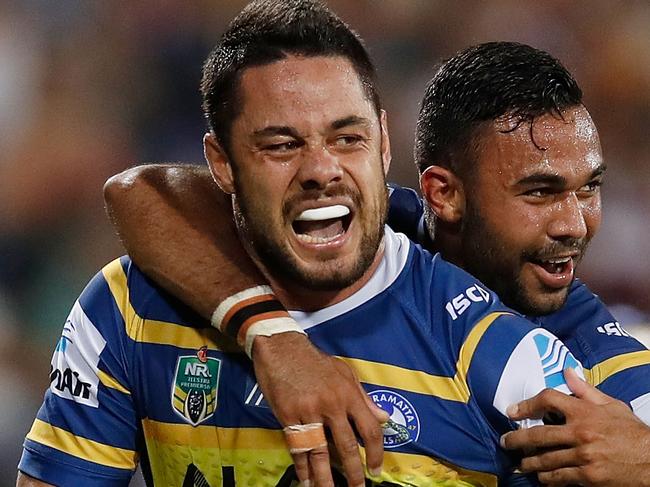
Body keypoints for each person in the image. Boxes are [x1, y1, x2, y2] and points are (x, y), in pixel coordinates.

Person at [17, 2, 579, 487]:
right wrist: (272, 335)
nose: (322, 170)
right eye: (282, 145)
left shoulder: (492, 351)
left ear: (384, 145)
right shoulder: (130, 308)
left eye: (347, 138)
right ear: (222, 163)